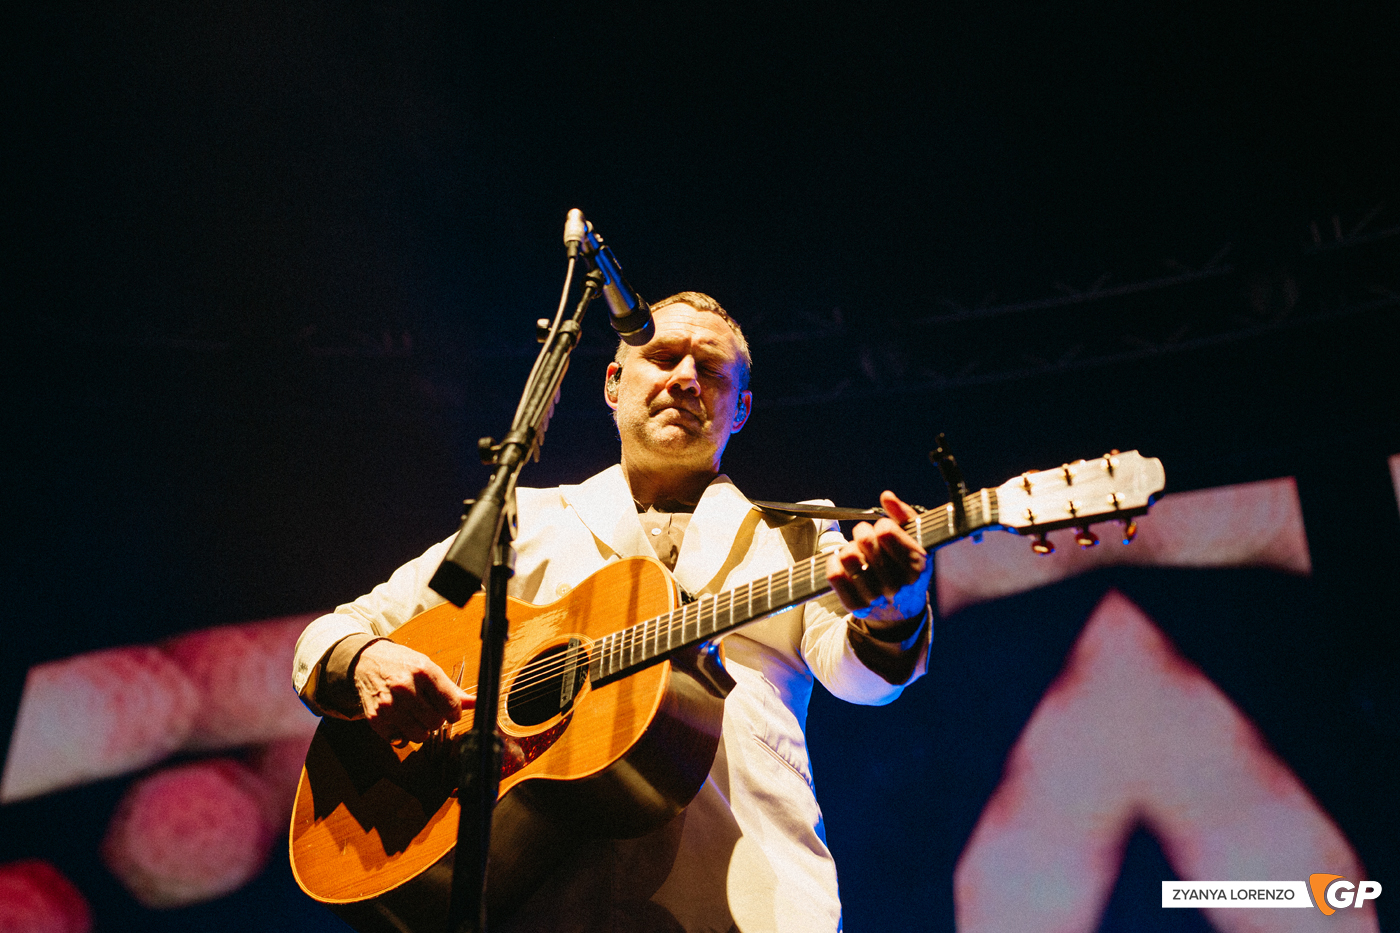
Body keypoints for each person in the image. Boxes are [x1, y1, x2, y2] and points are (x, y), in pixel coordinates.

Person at [292, 291, 933, 932]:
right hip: (537, 905)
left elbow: (864, 678)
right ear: (613, 383)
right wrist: (364, 661)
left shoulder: (794, 540)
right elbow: (339, 629)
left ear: (740, 410)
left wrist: (894, 610)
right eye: (661, 357)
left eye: (711, 371)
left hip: (743, 901)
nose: (685, 379)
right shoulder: (522, 523)